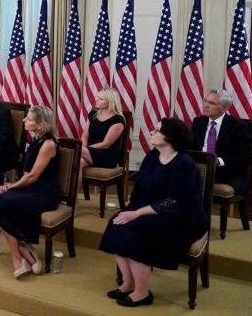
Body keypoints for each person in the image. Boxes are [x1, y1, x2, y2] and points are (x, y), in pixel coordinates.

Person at [99, 117, 207, 307]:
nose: (151, 132)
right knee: (116, 223)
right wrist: (130, 210)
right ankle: (128, 282)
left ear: (170, 137)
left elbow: (174, 202)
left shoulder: (184, 165)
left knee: (136, 232)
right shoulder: (151, 156)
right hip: (148, 208)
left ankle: (142, 292)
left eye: (157, 130)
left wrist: (136, 213)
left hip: (181, 217)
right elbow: (142, 189)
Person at [0, 106, 59, 279]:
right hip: (30, 188)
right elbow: (26, 174)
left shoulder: (48, 143)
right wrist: (11, 185)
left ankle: (18, 255)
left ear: (40, 125)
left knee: (1, 203)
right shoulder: (36, 140)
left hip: (43, 192)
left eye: (29, 119)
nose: (24, 120)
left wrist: (11, 187)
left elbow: (32, 176)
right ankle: (21, 248)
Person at [191, 89, 252, 194]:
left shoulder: (238, 126)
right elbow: (191, 147)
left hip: (225, 171)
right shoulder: (198, 122)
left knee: (194, 182)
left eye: (211, 103)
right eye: (205, 101)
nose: (205, 105)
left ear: (225, 107)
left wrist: (219, 161)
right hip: (200, 167)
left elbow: (246, 156)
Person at [79, 87, 126, 188]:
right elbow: (85, 135)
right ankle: (73, 199)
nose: (96, 99)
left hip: (107, 156)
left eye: (100, 99)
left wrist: (85, 149)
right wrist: (85, 147)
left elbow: (106, 144)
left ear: (110, 102)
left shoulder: (118, 120)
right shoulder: (93, 114)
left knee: (74, 150)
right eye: (97, 97)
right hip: (90, 151)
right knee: (78, 162)